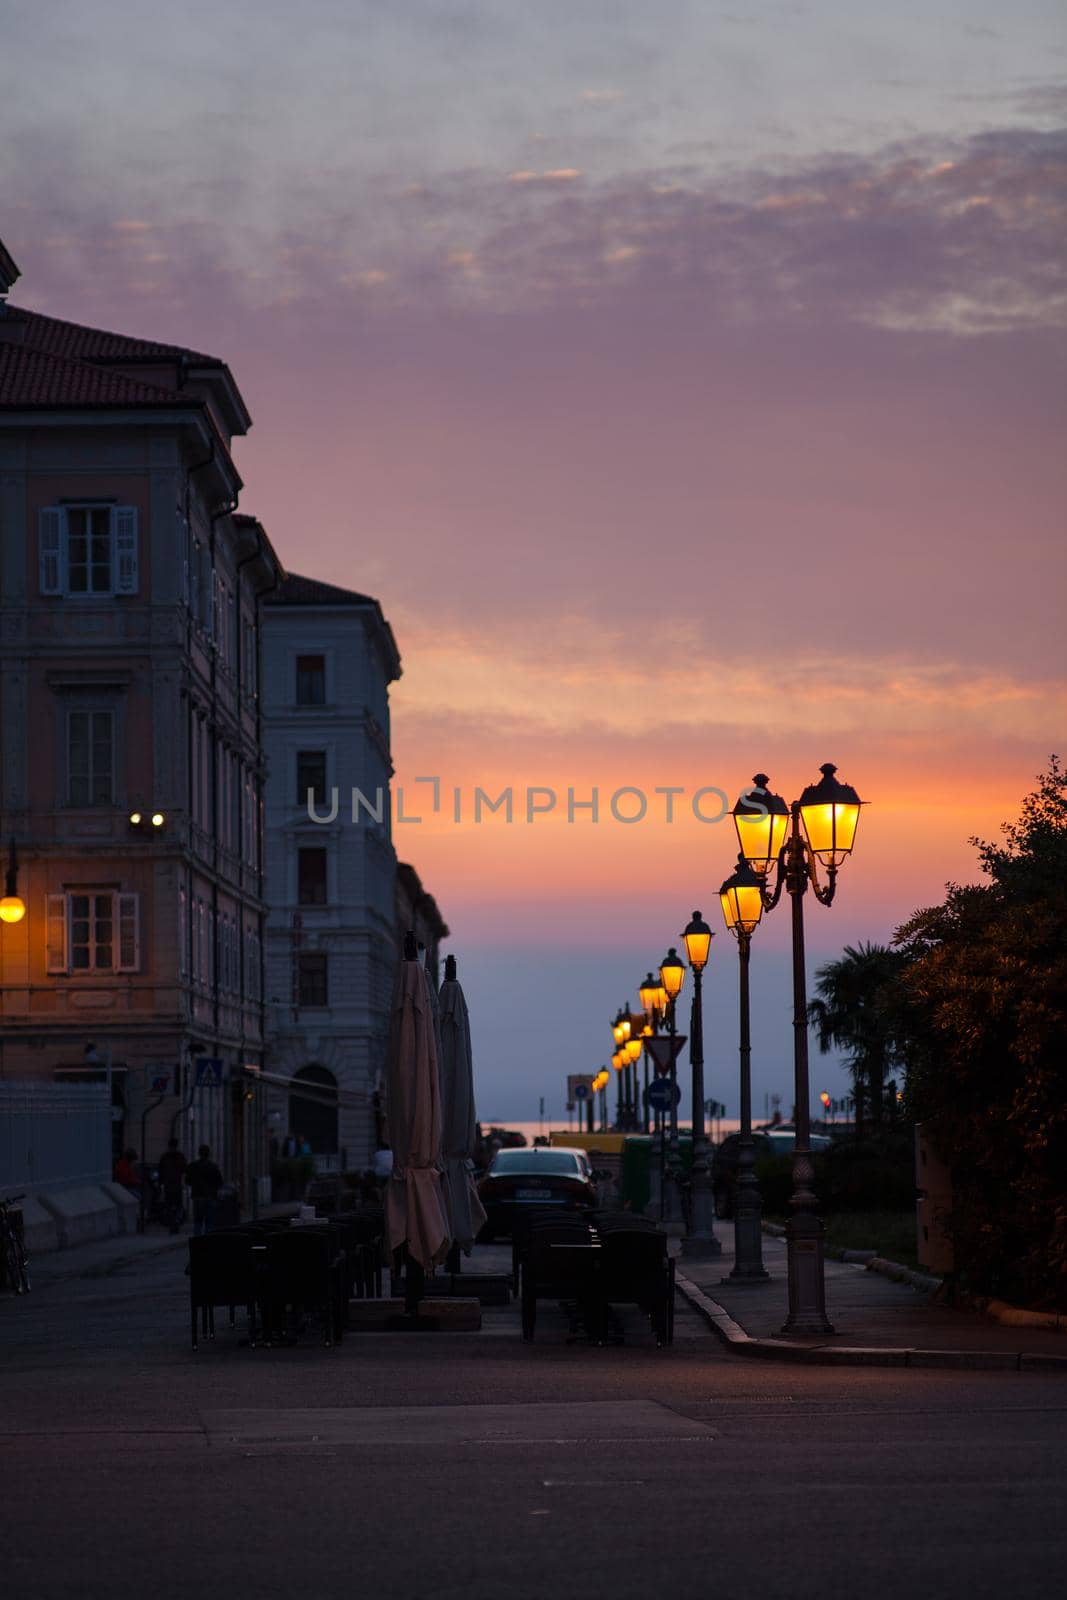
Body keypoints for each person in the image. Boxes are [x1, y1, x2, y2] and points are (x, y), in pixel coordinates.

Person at [185, 1144, 224, 1235]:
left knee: (198, 1221)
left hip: (198, 1196)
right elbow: (220, 1182)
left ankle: (198, 1241)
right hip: (210, 1196)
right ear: (208, 1154)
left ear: (199, 1153)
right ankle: (207, 1242)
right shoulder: (213, 1166)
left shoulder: (193, 1166)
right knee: (209, 1221)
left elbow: (187, 1181)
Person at [157, 1138, 187, 1234]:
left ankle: (172, 1225)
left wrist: (160, 1183)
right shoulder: (180, 1157)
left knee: (170, 1206)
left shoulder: (165, 1157)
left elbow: (160, 1171)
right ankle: (175, 1224)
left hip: (169, 1186)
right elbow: (184, 1170)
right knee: (176, 1206)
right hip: (176, 1185)